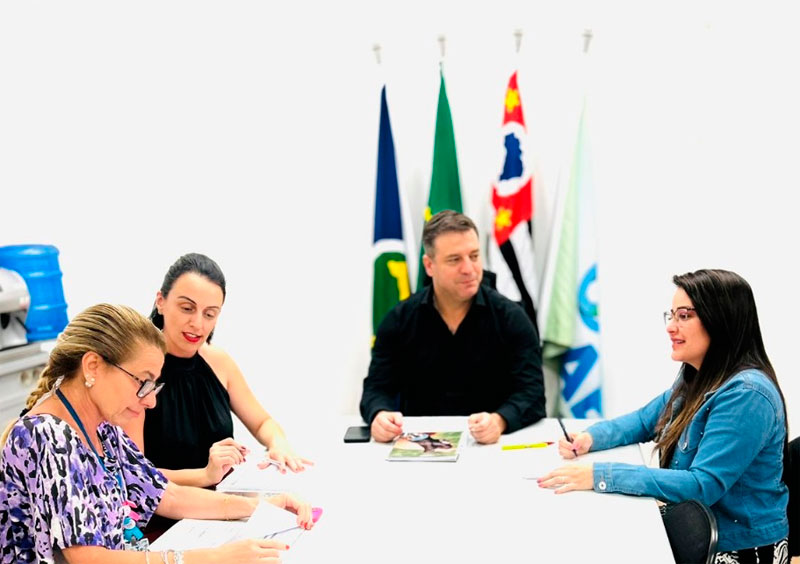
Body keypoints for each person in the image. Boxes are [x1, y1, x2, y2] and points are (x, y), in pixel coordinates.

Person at [0, 303, 314, 564]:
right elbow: (88, 558)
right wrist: (211, 558)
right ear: (93, 366)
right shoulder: (46, 436)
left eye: (154, 385)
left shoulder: (102, 428)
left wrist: (262, 506)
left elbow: (167, 495)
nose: (150, 401)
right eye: (143, 382)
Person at [539, 269, 789, 562]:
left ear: (720, 319)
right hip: (694, 530)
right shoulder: (700, 375)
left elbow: (701, 486)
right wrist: (590, 438)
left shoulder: (747, 395)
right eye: (671, 315)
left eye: (684, 316)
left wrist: (600, 475)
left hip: (738, 549)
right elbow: (644, 420)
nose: (670, 327)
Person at [124, 253, 310, 489]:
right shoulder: (137, 371)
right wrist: (205, 476)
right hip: (167, 506)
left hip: (223, 501)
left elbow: (262, 422)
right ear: (161, 301)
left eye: (209, 314)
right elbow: (134, 474)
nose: (198, 324)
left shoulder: (218, 361)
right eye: (187, 308)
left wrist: (278, 444)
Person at [360, 210, 545, 444]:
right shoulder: (399, 319)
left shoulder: (512, 317)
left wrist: (500, 421)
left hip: (491, 447)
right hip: (420, 447)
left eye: (474, 256)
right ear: (429, 265)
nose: (469, 269)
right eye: (455, 259)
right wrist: (379, 415)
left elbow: (533, 393)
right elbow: (376, 389)